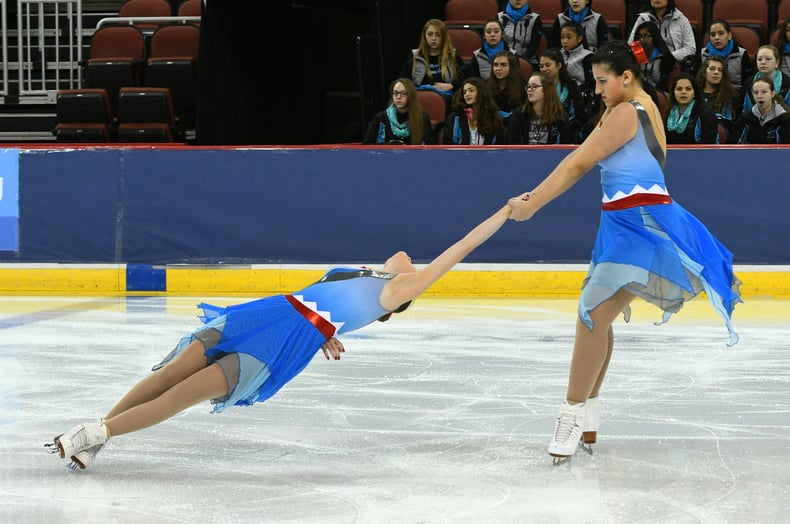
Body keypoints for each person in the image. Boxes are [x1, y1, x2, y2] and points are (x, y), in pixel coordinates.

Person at [46, 204, 514, 470]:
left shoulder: (395, 290)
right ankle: (102, 435)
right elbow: (326, 299)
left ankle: (95, 432)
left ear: (410, 288)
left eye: (417, 266)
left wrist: (506, 211)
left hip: (281, 342)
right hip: (272, 312)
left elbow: (461, 248)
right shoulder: (366, 273)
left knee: (183, 395)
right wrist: (328, 330)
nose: (413, 258)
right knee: (172, 372)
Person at [507, 41, 741, 461]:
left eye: (602, 81)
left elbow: (578, 163)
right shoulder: (645, 104)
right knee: (600, 316)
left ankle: (572, 412)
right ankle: (589, 414)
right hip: (622, 223)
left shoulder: (626, 113)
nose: (596, 90)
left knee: (591, 316)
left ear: (626, 77)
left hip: (638, 225)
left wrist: (533, 204)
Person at [399, 18, 465, 105]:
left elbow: (465, 79)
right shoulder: (415, 56)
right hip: (420, 99)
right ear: (424, 36)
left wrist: (451, 86)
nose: (433, 38)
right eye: (430, 34)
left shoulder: (452, 55)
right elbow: (403, 81)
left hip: (447, 99)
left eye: (438, 35)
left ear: (444, 37)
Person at [505, 72, 575, 144]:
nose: (529, 89)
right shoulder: (519, 115)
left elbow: (564, 145)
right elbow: (513, 145)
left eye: (534, 86)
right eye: (528, 86)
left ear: (547, 89)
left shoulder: (560, 116)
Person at [363, 78, 434, 145]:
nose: (398, 97)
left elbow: (429, 146)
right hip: (386, 156)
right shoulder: (381, 118)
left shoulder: (422, 117)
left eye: (403, 93)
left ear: (411, 96)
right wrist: (388, 146)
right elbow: (368, 144)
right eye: (395, 93)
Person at [628, 0, 697, 68]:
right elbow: (631, 44)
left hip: (674, 65)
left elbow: (690, 48)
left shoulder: (681, 20)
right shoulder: (642, 19)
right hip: (646, 66)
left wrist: (668, 57)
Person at [539, 48, 589, 136]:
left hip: (565, 130)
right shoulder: (537, 86)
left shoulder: (571, 86)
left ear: (559, 65)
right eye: (541, 66)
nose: (544, 69)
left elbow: (580, 114)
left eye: (547, 65)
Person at [443, 77, 506, 145]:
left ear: (481, 92)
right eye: (464, 92)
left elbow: (499, 143)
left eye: (471, 90)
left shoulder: (493, 116)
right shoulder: (455, 116)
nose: (467, 94)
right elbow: (448, 143)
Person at [728, 76, 790, 144]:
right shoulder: (745, 118)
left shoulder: (785, 119)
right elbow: (732, 144)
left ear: (772, 94)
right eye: (756, 92)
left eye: (764, 92)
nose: (759, 96)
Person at [698, 19, 753, 94]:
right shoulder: (703, 54)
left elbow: (747, 82)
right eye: (713, 35)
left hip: (734, 96)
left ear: (729, 35)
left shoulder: (741, 54)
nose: (716, 38)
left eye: (721, 33)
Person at [663, 73, 718, 144]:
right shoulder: (668, 112)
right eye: (679, 89)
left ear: (694, 93)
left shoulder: (706, 114)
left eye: (688, 89)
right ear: (673, 93)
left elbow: (708, 146)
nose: (683, 92)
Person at [696, 55, 740, 134]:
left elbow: (733, 124)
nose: (716, 72)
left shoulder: (731, 95)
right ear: (704, 72)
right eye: (712, 69)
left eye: (720, 70)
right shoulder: (695, 94)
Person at [741, 45, 790, 113]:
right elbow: (744, 111)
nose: (763, 62)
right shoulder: (748, 83)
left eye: (768, 59)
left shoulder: (787, 83)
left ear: (777, 62)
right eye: (759, 59)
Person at [634, 20, 677, 96]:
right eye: (639, 36)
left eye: (646, 36)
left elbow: (663, 83)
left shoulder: (665, 57)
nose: (642, 39)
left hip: (658, 92)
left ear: (654, 37)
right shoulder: (633, 54)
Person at [497, 0, 543, 64]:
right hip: (504, 60)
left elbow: (534, 45)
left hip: (528, 60)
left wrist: (522, 60)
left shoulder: (535, 19)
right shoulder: (500, 17)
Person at [487, 51, 526, 121]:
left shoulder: (523, 86)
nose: (498, 69)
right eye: (495, 65)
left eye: (503, 65)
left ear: (512, 67)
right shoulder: (486, 84)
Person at [560, 21, 595, 97]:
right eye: (562, 37)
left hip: (579, 93)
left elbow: (591, 82)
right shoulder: (558, 54)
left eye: (569, 37)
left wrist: (575, 91)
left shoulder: (588, 56)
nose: (564, 41)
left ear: (579, 38)